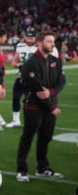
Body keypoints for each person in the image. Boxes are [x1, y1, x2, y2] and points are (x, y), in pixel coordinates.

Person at [16, 31, 65, 182]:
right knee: (28, 138)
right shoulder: (30, 63)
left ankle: (42, 167)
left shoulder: (55, 61)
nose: (52, 44)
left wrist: (51, 92)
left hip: (50, 107)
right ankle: (21, 170)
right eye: (49, 41)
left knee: (45, 138)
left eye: (53, 41)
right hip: (34, 107)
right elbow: (37, 90)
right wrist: (51, 107)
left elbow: (61, 81)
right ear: (39, 43)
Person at [6, 32, 38, 128]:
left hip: (34, 76)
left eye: (31, 38)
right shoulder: (20, 46)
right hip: (21, 75)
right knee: (16, 97)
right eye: (28, 37)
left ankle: (34, 121)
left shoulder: (39, 47)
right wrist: (20, 65)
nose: (29, 39)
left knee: (33, 100)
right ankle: (16, 120)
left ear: (35, 38)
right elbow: (14, 62)